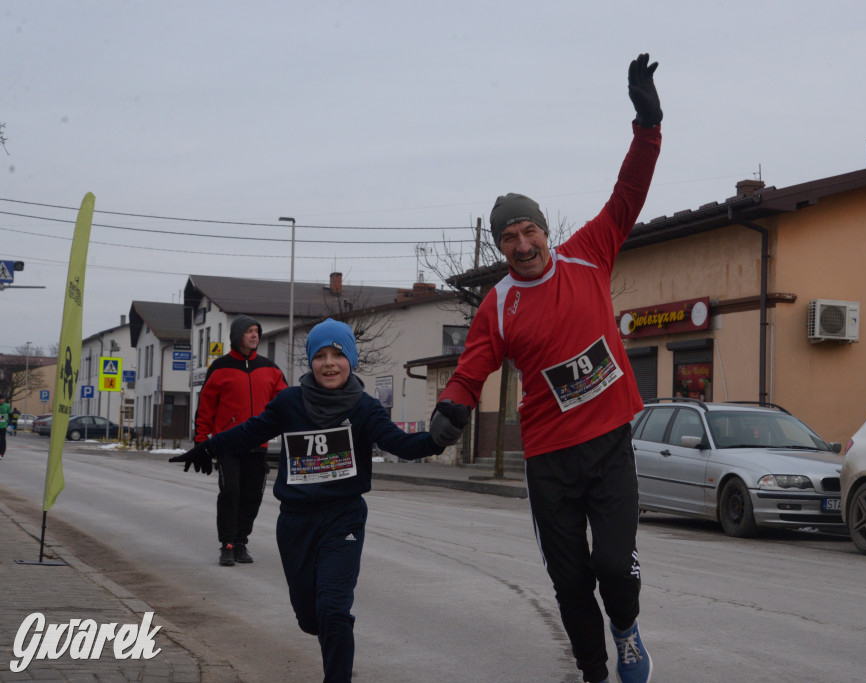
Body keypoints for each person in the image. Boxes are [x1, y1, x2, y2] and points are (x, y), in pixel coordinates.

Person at [429, 53, 662, 683]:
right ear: (500, 247)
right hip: (549, 458)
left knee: (613, 568)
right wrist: (451, 408)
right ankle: (593, 671)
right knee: (569, 579)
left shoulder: (590, 254)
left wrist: (647, 125)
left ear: (545, 230)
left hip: (608, 444)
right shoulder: (498, 304)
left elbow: (629, 192)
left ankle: (627, 631)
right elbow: (471, 370)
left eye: (529, 230)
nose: (523, 245)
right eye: (509, 238)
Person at [170, 319, 463, 683]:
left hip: (343, 519)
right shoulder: (290, 403)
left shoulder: (366, 409)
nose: (329, 363)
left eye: (337, 355)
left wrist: (437, 439)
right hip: (295, 523)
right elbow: (249, 432)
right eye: (320, 355)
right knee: (311, 618)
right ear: (311, 361)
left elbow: (401, 444)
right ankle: (326, 633)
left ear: (350, 360)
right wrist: (207, 447)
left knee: (333, 609)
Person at [194, 314, 288, 566]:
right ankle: (227, 544)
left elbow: (286, 404)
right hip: (228, 444)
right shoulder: (220, 368)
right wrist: (201, 441)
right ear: (237, 336)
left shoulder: (271, 369)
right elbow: (205, 408)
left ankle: (241, 542)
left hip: (258, 445)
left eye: (257, 331)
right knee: (230, 492)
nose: (255, 335)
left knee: (252, 495)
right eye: (249, 331)